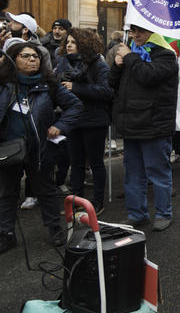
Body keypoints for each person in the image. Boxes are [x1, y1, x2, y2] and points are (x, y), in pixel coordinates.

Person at [0, 42, 83, 253]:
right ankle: (6, 234)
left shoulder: (50, 84)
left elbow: (75, 106)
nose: (32, 60)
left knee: (46, 191)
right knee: (6, 193)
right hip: (8, 150)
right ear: (13, 59)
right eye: (25, 56)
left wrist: (59, 125)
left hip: (40, 150)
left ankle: (55, 229)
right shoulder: (4, 84)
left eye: (35, 56)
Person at [109, 24, 178, 230]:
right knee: (133, 175)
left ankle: (164, 213)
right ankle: (137, 214)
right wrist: (117, 65)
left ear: (153, 32)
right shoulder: (132, 54)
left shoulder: (166, 55)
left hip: (154, 125)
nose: (135, 35)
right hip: (131, 124)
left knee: (158, 173)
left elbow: (148, 76)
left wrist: (129, 57)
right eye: (133, 31)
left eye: (141, 31)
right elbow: (112, 83)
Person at [54, 28, 113, 214]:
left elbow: (106, 92)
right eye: (67, 42)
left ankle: (97, 202)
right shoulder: (63, 62)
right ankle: (76, 201)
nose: (69, 45)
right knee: (76, 163)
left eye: (73, 42)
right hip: (73, 120)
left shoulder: (99, 64)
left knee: (95, 163)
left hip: (94, 121)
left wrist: (76, 87)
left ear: (84, 44)